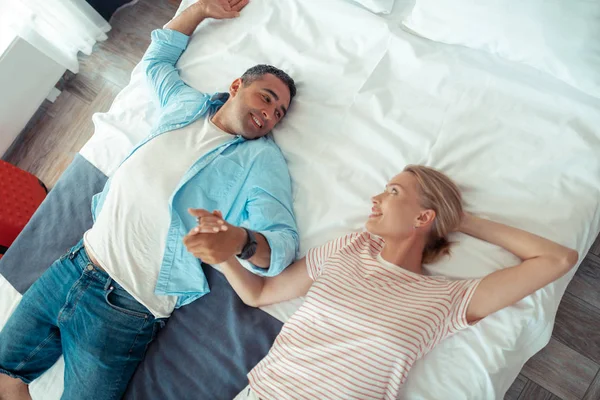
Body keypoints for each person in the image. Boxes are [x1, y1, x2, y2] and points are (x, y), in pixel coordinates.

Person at [0, 1, 299, 399]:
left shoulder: (262, 160)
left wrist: (240, 241)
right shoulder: (185, 105)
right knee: (5, 373)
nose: (270, 114)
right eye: (266, 98)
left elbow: (281, 244)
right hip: (74, 265)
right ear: (236, 87)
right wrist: (200, 10)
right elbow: (156, 60)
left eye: (279, 112)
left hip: (126, 307)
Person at [192, 165, 579, 400]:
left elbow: (558, 259)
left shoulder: (446, 299)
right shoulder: (348, 248)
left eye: (392, 192)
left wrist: (461, 220)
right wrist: (222, 254)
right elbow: (260, 293)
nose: (375, 198)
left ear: (423, 217)